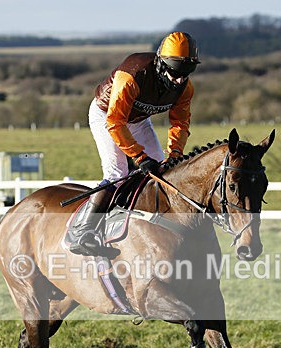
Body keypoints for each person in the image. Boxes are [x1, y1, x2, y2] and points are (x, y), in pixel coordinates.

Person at [69, 31, 200, 257]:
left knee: (163, 172)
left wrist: (175, 153)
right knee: (117, 172)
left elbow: (180, 123)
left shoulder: (185, 88)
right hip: (107, 116)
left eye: (186, 74)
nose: (180, 80)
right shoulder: (132, 75)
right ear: (160, 64)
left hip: (138, 120)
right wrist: (140, 158)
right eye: (175, 73)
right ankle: (84, 232)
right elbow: (116, 122)